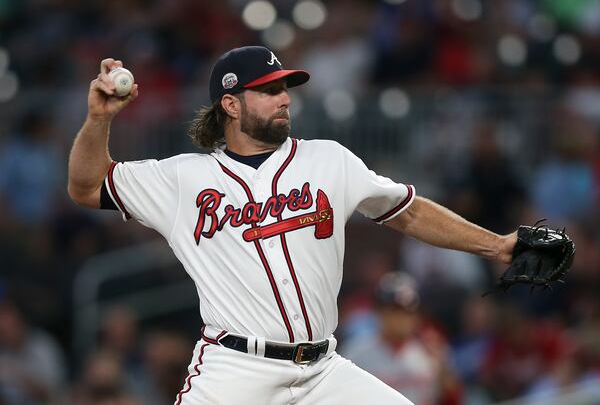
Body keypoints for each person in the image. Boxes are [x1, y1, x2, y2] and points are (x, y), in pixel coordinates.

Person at [68, 45, 517, 405]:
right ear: (231, 104)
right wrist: (98, 120)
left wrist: (497, 246)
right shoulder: (183, 178)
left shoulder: (329, 160)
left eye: (284, 86)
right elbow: (87, 187)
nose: (284, 97)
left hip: (323, 371)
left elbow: (410, 209)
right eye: (267, 90)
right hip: (237, 370)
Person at [341, 271, 462, 405]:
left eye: (408, 311)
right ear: (379, 312)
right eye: (395, 310)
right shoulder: (355, 354)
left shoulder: (433, 351)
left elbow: (452, 399)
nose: (402, 318)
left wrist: (443, 368)